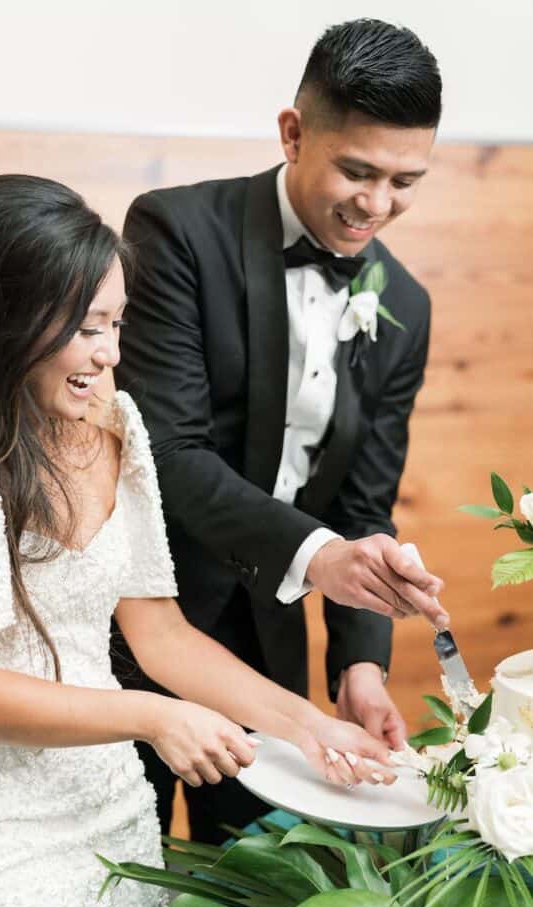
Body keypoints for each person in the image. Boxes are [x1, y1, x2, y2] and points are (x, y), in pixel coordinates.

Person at [0, 174, 401, 907]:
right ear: (0, 315)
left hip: (108, 812)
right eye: (82, 327)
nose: (109, 353)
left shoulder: (117, 425)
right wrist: (154, 718)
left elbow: (162, 635)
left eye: (115, 322)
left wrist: (309, 725)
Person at [115, 18, 447, 843]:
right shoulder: (178, 232)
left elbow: (367, 503)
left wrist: (361, 665)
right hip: (136, 617)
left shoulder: (405, 308)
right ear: (294, 134)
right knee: (122, 876)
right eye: (358, 171)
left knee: (258, 888)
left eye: (406, 180)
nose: (377, 205)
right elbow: (167, 451)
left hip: (270, 637)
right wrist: (322, 557)